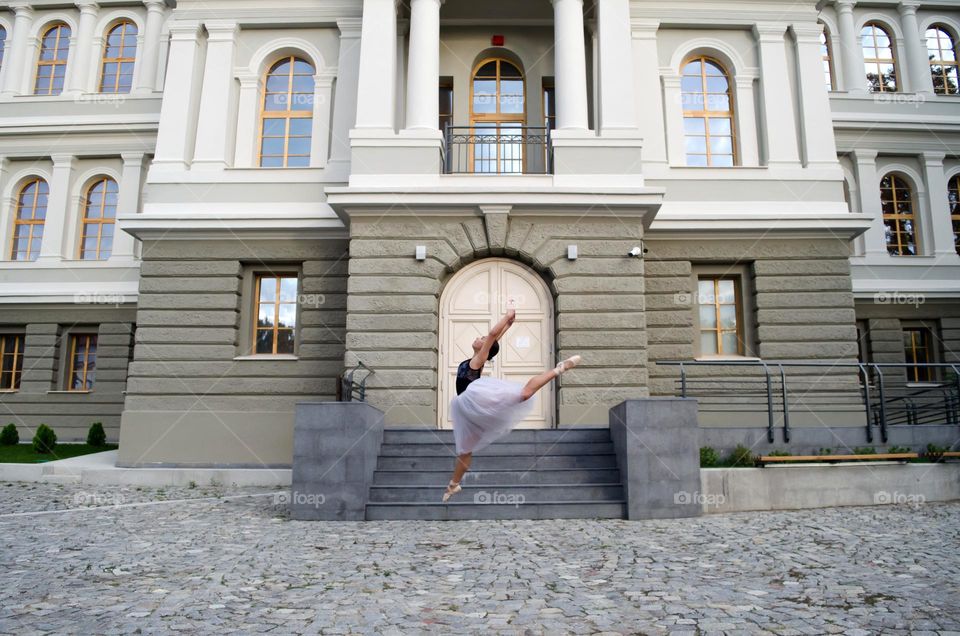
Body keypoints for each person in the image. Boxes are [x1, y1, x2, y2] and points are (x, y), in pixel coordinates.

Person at [443, 308, 581, 502]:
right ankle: (454, 485)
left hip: (475, 399)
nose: (479, 337)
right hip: (468, 409)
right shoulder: (475, 358)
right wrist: (507, 327)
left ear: (486, 349)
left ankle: (559, 369)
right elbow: (493, 339)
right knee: (465, 450)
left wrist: (505, 318)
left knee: (524, 393)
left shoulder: (478, 359)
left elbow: (491, 336)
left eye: (482, 339)